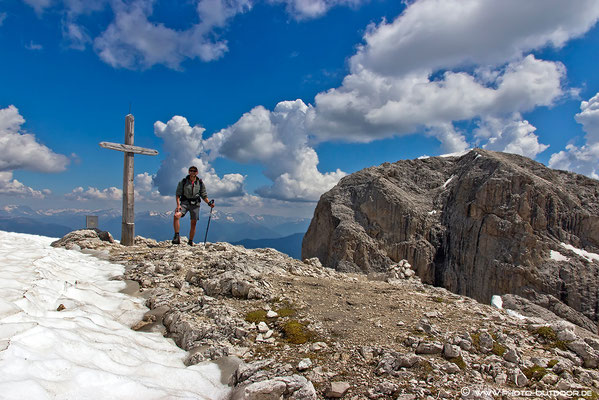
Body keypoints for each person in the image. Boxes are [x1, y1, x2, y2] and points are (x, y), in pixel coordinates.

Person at [172, 166, 214, 246]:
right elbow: (178, 194)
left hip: (195, 204)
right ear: (189, 172)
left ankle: (190, 241)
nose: (192, 172)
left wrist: (209, 203)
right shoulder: (183, 182)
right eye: (191, 170)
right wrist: (178, 205)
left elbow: (204, 195)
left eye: (194, 171)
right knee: (176, 216)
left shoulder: (200, 183)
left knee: (193, 223)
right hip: (185, 203)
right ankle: (176, 236)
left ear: (197, 172)